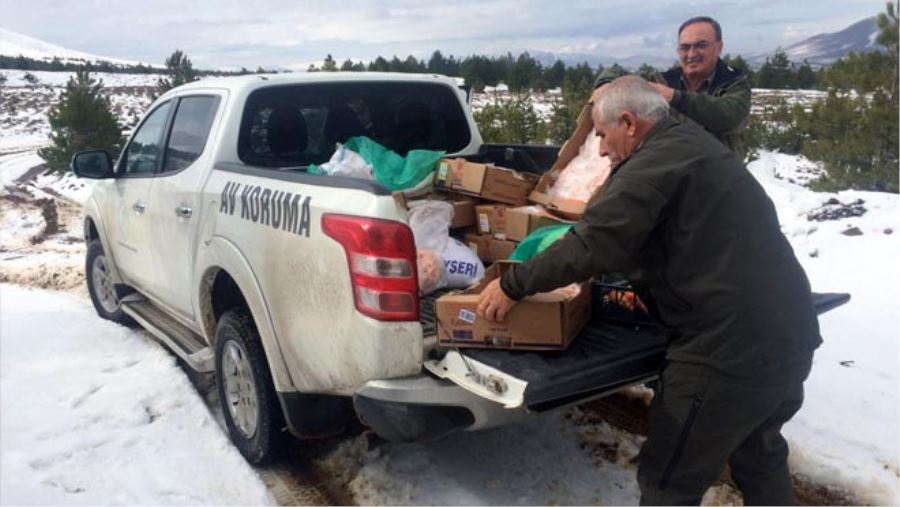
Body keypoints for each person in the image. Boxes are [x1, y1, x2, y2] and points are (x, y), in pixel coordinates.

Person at [477, 76, 820, 506]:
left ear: (630, 122)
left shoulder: (651, 168)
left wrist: (512, 285)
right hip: (790, 335)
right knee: (758, 453)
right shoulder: (691, 142)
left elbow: (593, 244)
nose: (600, 148)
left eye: (602, 135)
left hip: (724, 354)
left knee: (668, 481)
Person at [593, 16, 751, 159]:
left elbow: (730, 116)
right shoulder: (665, 79)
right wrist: (606, 83)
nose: (691, 54)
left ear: (719, 47)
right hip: (672, 173)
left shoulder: (733, 82)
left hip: (718, 176)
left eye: (701, 45)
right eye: (685, 47)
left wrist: (675, 97)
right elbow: (619, 72)